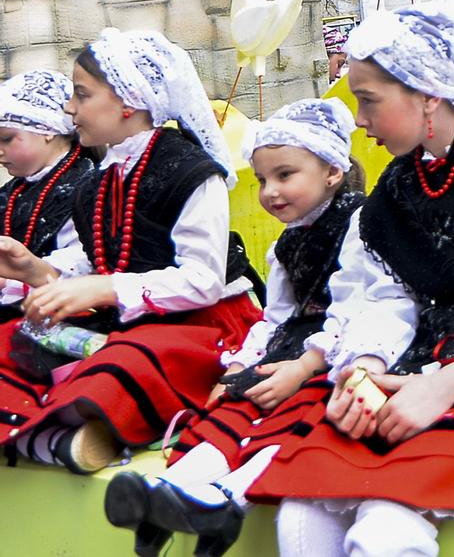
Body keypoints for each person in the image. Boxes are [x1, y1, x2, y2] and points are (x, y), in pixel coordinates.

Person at [243, 2, 454, 557]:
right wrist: (363, 365)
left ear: (427, 94)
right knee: (301, 513)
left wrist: (447, 383)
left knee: (385, 526)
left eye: (369, 100)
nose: (358, 119)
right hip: (410, 371)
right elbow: (389, 295)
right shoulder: (397, 188)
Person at [104, 98, 367, 557]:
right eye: (264, 179)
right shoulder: (287, 243)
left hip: (340, 352)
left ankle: (227, 499)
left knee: (298, 418)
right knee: (237, 407)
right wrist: (241, 364)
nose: (270, 191)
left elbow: (359, 307)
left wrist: (306, 366)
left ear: (332, 171)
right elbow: (276, 317)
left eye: (285, 175)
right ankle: (171, 490)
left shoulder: (360, 224)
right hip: (291, 350)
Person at [0, 31, 260, 474]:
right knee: (10, 340)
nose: (70, 108)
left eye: (81, 95)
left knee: (125, 361)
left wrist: (104, 288)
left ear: (128, 101)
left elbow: (202, 281)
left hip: (201, 322)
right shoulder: (101, 178)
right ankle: (58, 440)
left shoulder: (191, 172)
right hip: (133, 319)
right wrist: (35, 271)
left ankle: (54, 435)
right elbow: (99, 260)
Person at [0, 71, 95, 323]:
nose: (0, 151)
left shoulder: (88, 185)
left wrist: (12, 279)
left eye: (7, 139)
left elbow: (85, 262)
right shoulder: (14, 190)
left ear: (47, 130)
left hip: (65, 315)